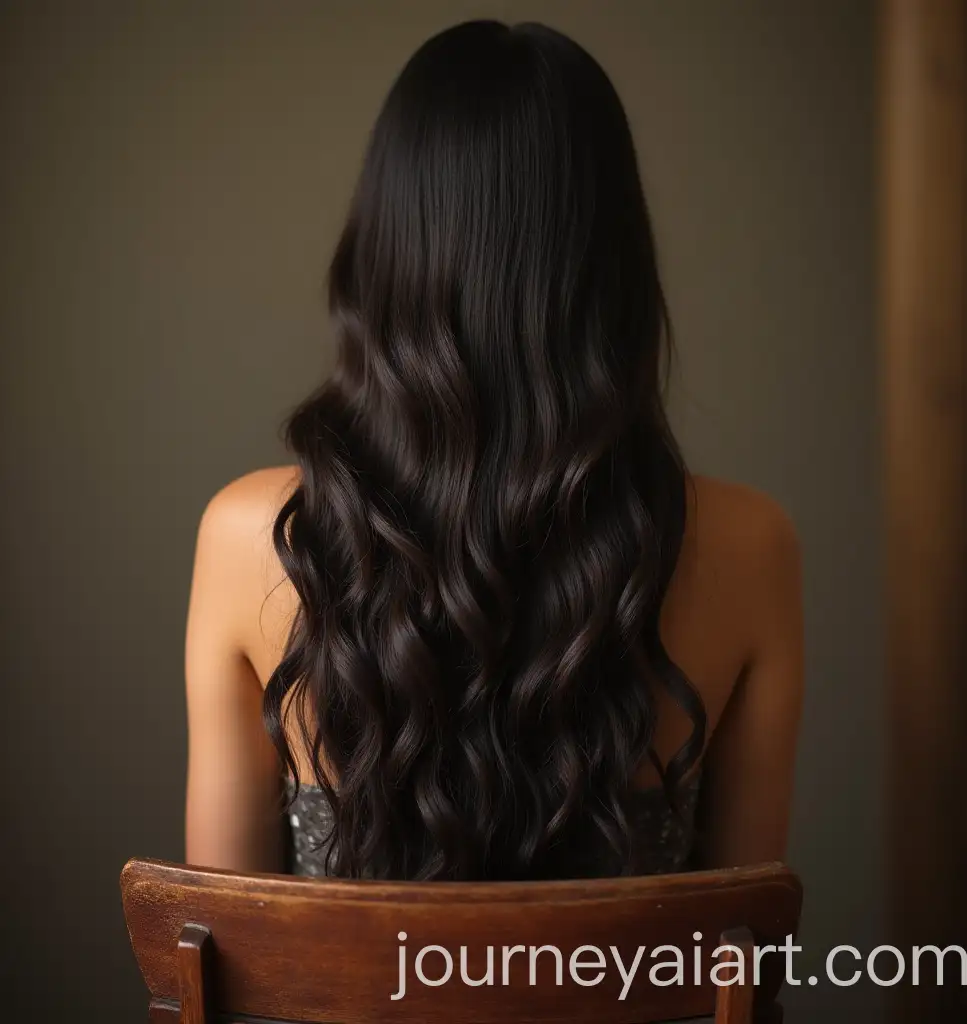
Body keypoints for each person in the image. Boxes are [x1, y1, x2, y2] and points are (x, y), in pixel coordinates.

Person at [183, 19, 803, 882]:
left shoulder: (249, 537)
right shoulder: (750, 545)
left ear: (385, 253)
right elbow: (746, 947)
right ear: (615, 267)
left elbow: (217, 944)